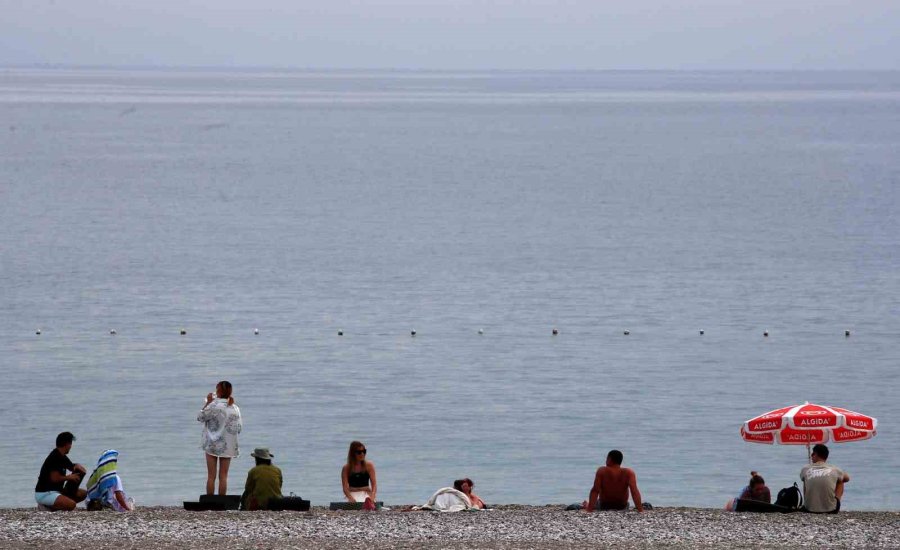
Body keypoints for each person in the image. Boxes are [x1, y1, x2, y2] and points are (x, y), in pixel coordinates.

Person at [198, 380, 242, 495]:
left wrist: (207, 403)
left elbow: (200, 417)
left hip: (211, 444)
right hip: (228, 445)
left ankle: (210, 501)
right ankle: (222, 502)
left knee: (211, 476)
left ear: (218, 391)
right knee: (223, 476)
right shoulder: (235, 408)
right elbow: (238, 427)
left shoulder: (213, 406)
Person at [34, 432, 88, 511]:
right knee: (72, 505)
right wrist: (69, 477)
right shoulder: (54, 457)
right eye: (70, 444)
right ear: (67, 444)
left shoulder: (62, 456)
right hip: (45, 493)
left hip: (57, 491)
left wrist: (77, 466)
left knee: (83, 494)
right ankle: (47, 506)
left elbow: (71, 467)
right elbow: (54, 478)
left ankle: (58, 503)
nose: (71, 447)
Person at [801, 444, 850, 513]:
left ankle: (808, 503)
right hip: (831, 510)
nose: (811, 456)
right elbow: (847, 478)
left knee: (805, 479)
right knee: (840, 480)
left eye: (812, 454)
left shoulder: (805, 469)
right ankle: (836, 501)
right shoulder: (834, 469)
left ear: (815, 454)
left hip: (808, 509)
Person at [341, 441, 377, 509]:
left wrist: (373, 495)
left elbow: (374, 484)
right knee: (355, 505)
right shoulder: (346, 468)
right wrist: (350, 498)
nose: (362, 454)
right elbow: (345, 488)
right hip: (352, 493)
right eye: (359, 452)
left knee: (367, 503)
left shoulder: (369, 466)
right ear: (353, 454)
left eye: (364, 451)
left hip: (366, 492)